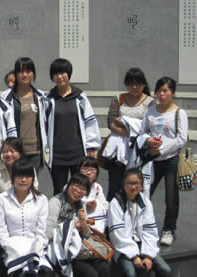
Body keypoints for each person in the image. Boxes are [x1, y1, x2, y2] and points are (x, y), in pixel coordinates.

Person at [47, 173, 119, 277]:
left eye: (83, 189)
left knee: (104, 267)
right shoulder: (56, 202)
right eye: (76, 186)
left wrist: (83, 222)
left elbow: (86, 235)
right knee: (90, 274)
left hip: (79, 248)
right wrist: (71, 225)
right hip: (62, 251)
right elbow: (48, 232)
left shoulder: (80, 205)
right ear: (69, 185)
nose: (78, 191)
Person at [108, 168, 172, 277]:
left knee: (165, 270)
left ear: (141, 185)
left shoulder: (145, 202)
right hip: (122, 247)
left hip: (143, 244)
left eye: (136, 183)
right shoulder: (116, 203)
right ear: (124, 184)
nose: (133, 187)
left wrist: (148, 255)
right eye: (129, 183)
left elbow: (150, 230)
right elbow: (117, 234)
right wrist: (134, 256)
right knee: (130, 273)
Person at [0, 158, 48, 277]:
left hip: (35, 247)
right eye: (19, 176)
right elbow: (1, 230)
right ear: (13, 177)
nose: (23, 180)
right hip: (13, 247)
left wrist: (36, 250)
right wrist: (10, 248)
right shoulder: (2, 199)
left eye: (27, 176)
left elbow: (41, 231)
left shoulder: (41, 199)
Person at [136, 77, 188, 246]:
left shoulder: (179, 113)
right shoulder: (150, 111)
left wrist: (161, 149)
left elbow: (182, 139)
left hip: (171, 159)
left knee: (171, 196)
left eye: (165, 91)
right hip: (151, 159)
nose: (162, 94)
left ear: (173, 92)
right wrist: (148, 141)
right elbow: (142, 131)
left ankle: (168, 229)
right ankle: (141, 225)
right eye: (159, 91)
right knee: (144, 192)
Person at [44, 58, 101, 195]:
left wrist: (91, 147)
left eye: (62, 73)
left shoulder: (80, 97)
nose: (59, 77)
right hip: (57, 155)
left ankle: (80, 210)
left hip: (77, 154)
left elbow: (90, 122)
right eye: (56, 74)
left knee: (80, 189)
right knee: (59, 191)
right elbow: (43, 125)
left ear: (69, 74)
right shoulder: (48, 99)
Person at [105, 68, 155, 200]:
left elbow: (148, 127)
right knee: (114, 188)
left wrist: (124, 123)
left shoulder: (150, 102)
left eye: (138, 84)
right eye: (130, 84)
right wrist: (131, 132)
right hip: (118, 153)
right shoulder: (119, 98)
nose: (134, 87)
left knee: (134, 189)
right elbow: (111, 122)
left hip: (138, 152)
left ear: (143, 84)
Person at [0, 57, 47, 173]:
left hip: (35, 151)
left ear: (33, 73)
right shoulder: (6, 97)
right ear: (16, 74)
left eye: (28, 71)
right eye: (21, 71)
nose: (25, 75)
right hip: (14, 152)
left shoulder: (41, 97)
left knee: (32, 182)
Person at [78, 156, 108, 234]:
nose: (88, 173)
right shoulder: (72, 187)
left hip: (95, 222)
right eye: (85, 169)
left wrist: (96, 204)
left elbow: (105, 206)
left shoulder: (97, 187)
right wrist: (84, 205)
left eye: (92, 170)